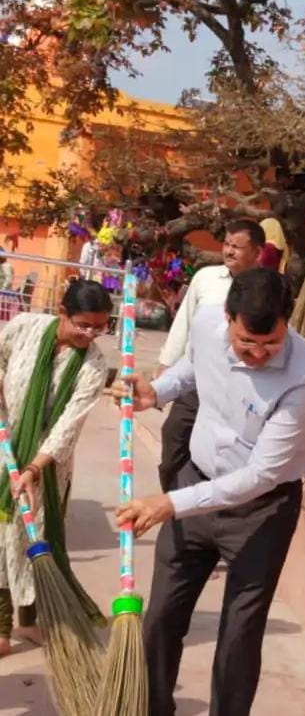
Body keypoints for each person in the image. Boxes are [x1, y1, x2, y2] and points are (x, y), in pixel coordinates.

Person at [114, 268, 305, 715]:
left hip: (261, 511)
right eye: (247, 342)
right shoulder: (208, 322)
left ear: (288, 323)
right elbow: (194, 368)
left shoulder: (304, 373)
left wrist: (171, 502)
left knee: (238, 637)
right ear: (229, 318)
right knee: (160, 619)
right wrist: (157, 391)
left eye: (271, 344)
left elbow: (261, 475)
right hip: (197, 477)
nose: (259, 355)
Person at [0, 280, 113, 657]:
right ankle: (1, 627)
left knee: (35, 538)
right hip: (3, 449)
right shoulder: (25, 327)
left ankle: (28, 620)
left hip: (48, 466)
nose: (91, 334)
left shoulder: (94, 364)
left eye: (100, 327)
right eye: (84, 324)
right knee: (1, 538)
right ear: (62, 312)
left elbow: (69, 423)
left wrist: (34, 468)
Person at [156, 219, 264, 491]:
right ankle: (172, 498)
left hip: (242, 385)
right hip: (197, 377)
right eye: (227, 244)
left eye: (237, 247)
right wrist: (166, 365)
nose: (229, 251)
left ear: (258, 252)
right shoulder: (205, 278)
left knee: (221, 455)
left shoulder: (266, 287)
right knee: (174, 435)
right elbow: (183, 323)